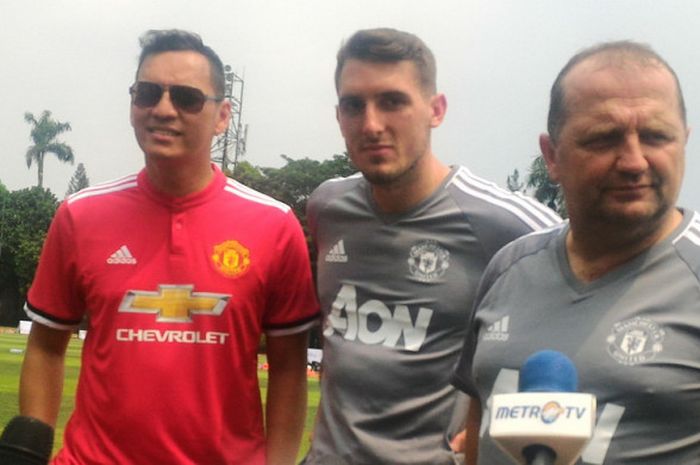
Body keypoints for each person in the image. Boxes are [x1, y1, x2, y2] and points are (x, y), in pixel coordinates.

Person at [7, 29, 319, 465]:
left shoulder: (274, 224)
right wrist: (32, 448)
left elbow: (288, 367)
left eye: (187, 98)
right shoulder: (80, 215)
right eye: (148, 93)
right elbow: (45, 345)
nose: (163, 110)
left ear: (223, 116)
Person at [302, 28, 560, 465]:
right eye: (353, 105)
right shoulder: (328, 206)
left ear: (435, 110)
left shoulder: (505, 222)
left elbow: (584, 292)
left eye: (393, 101)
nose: (371, 124)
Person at [453, 41, 700, 464]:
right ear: (552, 156)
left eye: (657, 136)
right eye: (604, 139)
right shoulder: (508, 269)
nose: (634, 161)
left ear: (685, 141)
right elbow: (478, 430)